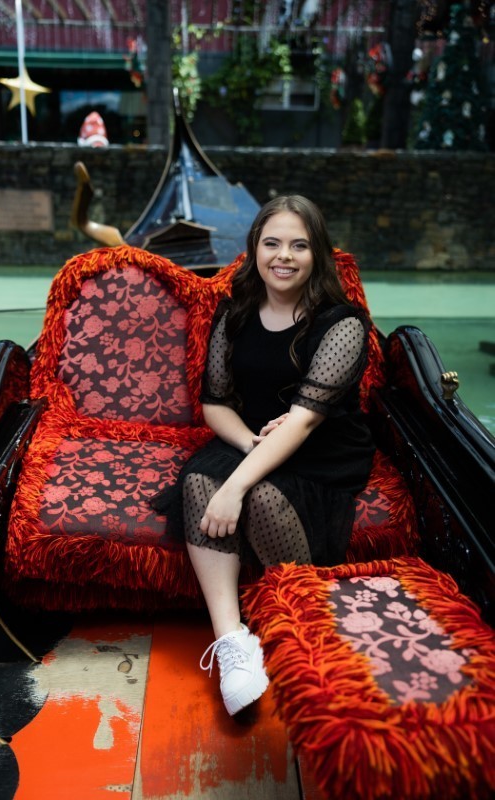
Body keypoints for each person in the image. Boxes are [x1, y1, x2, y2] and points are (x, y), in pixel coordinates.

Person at [153, 195, 375, 716]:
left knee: (260, 498)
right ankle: (233, 641)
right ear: (255, 249)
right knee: (198, 483)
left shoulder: (343, 323)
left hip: (321, 448)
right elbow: (215, 403)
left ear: (318, 254)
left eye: (300, 245)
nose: (284, 256)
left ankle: (300, 623)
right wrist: (249, 444)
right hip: (251, 437)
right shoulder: (235, 311)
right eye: (272, 243)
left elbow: (303, 421)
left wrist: (236, 486)